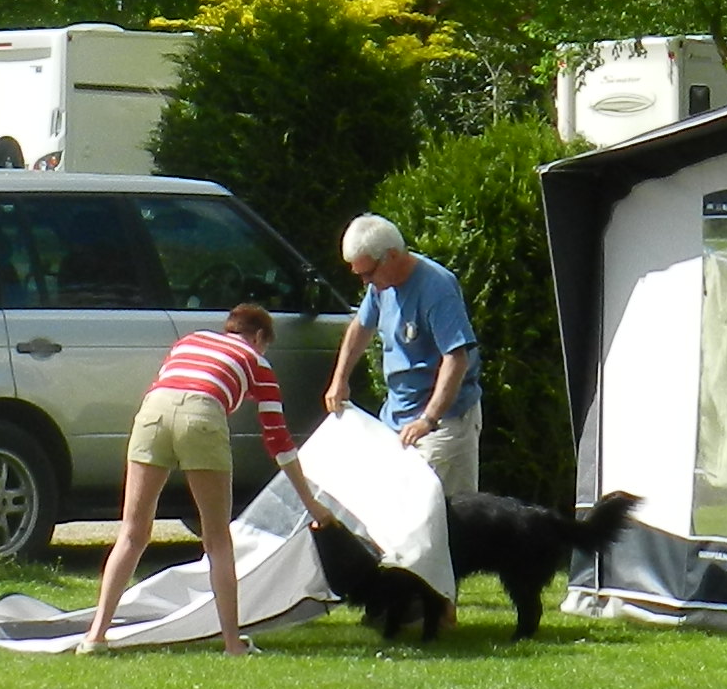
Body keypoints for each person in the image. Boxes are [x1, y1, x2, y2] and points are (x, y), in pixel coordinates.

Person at [83, 302, 295, 655]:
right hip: (202, 414)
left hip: (152, 411)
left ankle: (95, 636)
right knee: (217, 540)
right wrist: (309, 500)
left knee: (132, 533)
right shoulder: (257, 360)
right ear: (259, 337)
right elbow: (278, 440)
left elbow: (168, 384)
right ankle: (232, 644)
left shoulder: (191, 341)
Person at [326, 212, 481, 499]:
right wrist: (340, 379)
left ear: (392, 256)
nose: (364, 282)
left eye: (367, 273)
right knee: (398, 512)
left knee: (444, 517)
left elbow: (456, 358)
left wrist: (428, 419)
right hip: (397, 419)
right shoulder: (379, 287)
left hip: (442, 425)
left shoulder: (437, 288)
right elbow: (361, 327)